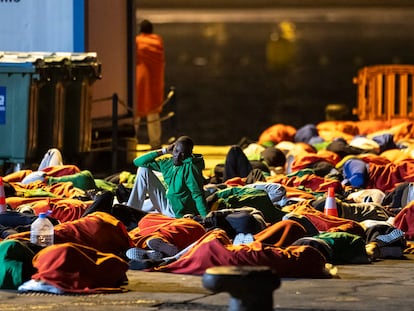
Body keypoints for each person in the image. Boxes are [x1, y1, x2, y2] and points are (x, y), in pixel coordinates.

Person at [127, 136, 209, 218]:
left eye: (183, 154)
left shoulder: (190, 168)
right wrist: (164, 151)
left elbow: (197, 194)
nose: (178, 156)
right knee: (143, 169)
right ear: (172, 148)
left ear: (189, 154)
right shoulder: (168, 163)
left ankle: (130, 215)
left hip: (175, 211)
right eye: (176, 151)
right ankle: (130, 211)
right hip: (167, 201)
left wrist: (205, 218)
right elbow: (137, 162)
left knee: (141, 209)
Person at [135, 19, 165, 150]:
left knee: (134, 114)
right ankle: (155, 144)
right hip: (154, 83)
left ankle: (131, 141)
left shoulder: (137, 42)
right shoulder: (158, 43)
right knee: (153, 115)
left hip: (139, 82)